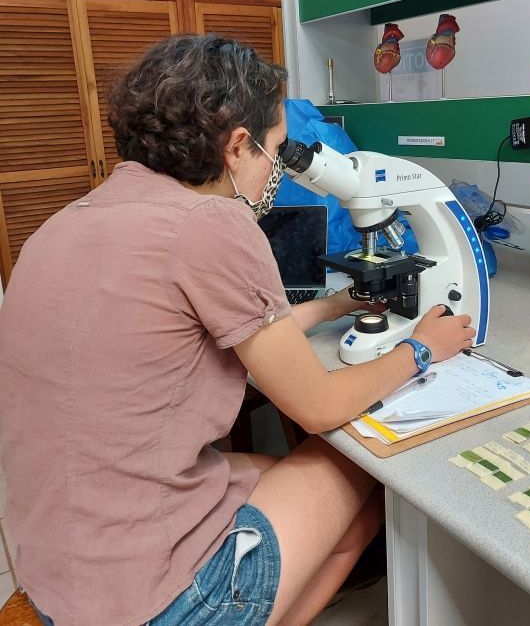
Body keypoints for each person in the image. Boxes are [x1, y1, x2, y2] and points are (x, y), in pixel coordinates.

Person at [0, 34, 475, 626]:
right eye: (277, 150)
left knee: (271, 473)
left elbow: (206, 331)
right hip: (149, 601)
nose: (278, 169)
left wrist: (332, 308)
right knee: (359, 472)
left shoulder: (68, 221)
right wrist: (423, 348)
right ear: (238, 147)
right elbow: (321, 406)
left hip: (55, 567)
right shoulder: (213, 222)